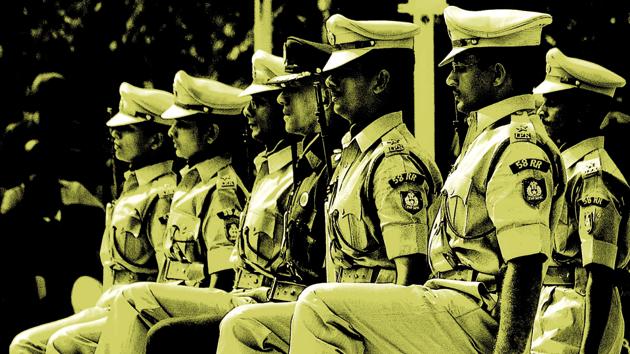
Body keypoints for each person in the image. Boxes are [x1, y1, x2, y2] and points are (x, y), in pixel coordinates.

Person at [285, 7, 566, 353]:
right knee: (254, 323)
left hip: (475, 313)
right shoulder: (488, 138)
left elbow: (525, 263)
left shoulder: (518, 146)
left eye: (461, 67)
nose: (449, 79)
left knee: (320, 306)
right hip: (450, 303)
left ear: (497, 74)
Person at [217, 14, 442, 353]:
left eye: (345, 74)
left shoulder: (394, 160)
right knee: (242, 325)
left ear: (380, 81)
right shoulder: (355, 157)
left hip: (371, 322)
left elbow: (409, 277)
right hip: (335, 313)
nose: (331, 84)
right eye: (331, 74)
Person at [138, 49, 303, 354]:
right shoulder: (262, 172)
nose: (247, 112)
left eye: (259, 103)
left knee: (146, 312)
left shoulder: (232, 185)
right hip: (242, 299)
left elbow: (221, 275)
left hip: (262, 302)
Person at [8, 82, 178, 354]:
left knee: (60, 343)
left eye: (126, 130)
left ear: (156, 141)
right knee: (24, 344)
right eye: (116, 130)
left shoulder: (164, 195)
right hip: (107, 304)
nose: (116, 136)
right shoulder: (133, 188)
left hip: (138, 313)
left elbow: (167, 281)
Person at [92, 71, 252, 354]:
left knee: (133, 298)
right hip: (172, 300)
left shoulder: (222, 189)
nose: (171, 132)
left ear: (212, 133)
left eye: (183, 125)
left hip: (196, 308)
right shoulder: (190, 185)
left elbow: (222, 277)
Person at [531, 48, 629, 354]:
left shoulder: (593, 176)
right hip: (554, 302)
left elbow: (599, 275)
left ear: (584, 112)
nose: (542, 111)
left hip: (577, 311)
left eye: (554, 103)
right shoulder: (566, 169)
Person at [0, 74, 106, 349]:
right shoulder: (20, 133)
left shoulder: (73, 133)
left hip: (64, 210)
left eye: (54, 105)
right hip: (28, 211)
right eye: (43, 106)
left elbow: (89, 194)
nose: (44, 113)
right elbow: (10, 180)